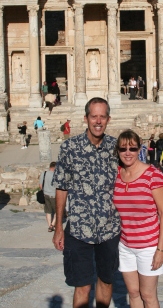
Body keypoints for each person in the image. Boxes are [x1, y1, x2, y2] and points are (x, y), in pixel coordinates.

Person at [52, 98, 121, 308]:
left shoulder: (116, 148)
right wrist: (58, 227)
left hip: (109, 228)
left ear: (108, 119)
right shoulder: (69, 148)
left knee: (106, 281)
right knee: (82, 286)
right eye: (94, 116)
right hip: (79, 228)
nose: (98, 121)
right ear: (86, 118)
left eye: (102, 117)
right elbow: (62, 186)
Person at [113, 129, 163, 308]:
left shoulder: (153, 175)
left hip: (148, 246)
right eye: (123, 149)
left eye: (132, 148)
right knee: (134, 293)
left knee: (148, 295)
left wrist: (160, 250)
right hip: (125, 245)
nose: (127, 153)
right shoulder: (116, 176)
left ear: (139, 149)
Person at [39, 162, 57, 232]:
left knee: (48, 211)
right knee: (57, 212)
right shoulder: (55, 175)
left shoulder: (44, 173)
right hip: (53, 195)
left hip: (45, 194)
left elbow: (40, 185)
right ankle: (52, 225)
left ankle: (49, 225)